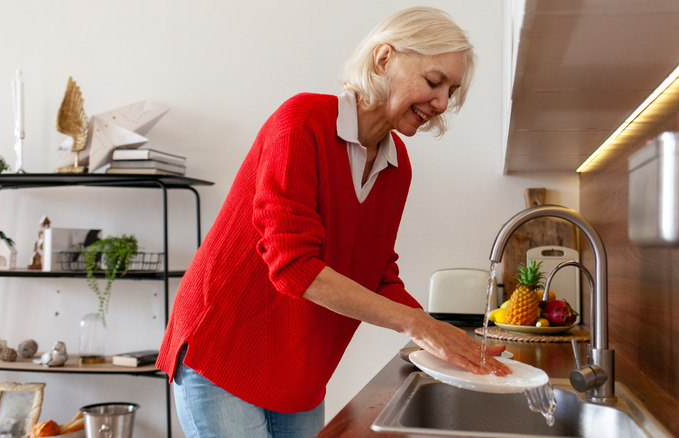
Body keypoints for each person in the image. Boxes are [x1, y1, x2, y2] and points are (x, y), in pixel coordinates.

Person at [156, 6, 510, 438]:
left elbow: (377, 273)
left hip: (299, 367)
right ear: (384, 59)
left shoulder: (397, 168)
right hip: (224, 350)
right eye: (434, 81)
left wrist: (441, 335)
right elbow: (293, 267)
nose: (441, 103)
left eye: (450, 91)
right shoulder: (302, 122)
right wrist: (418, 326)